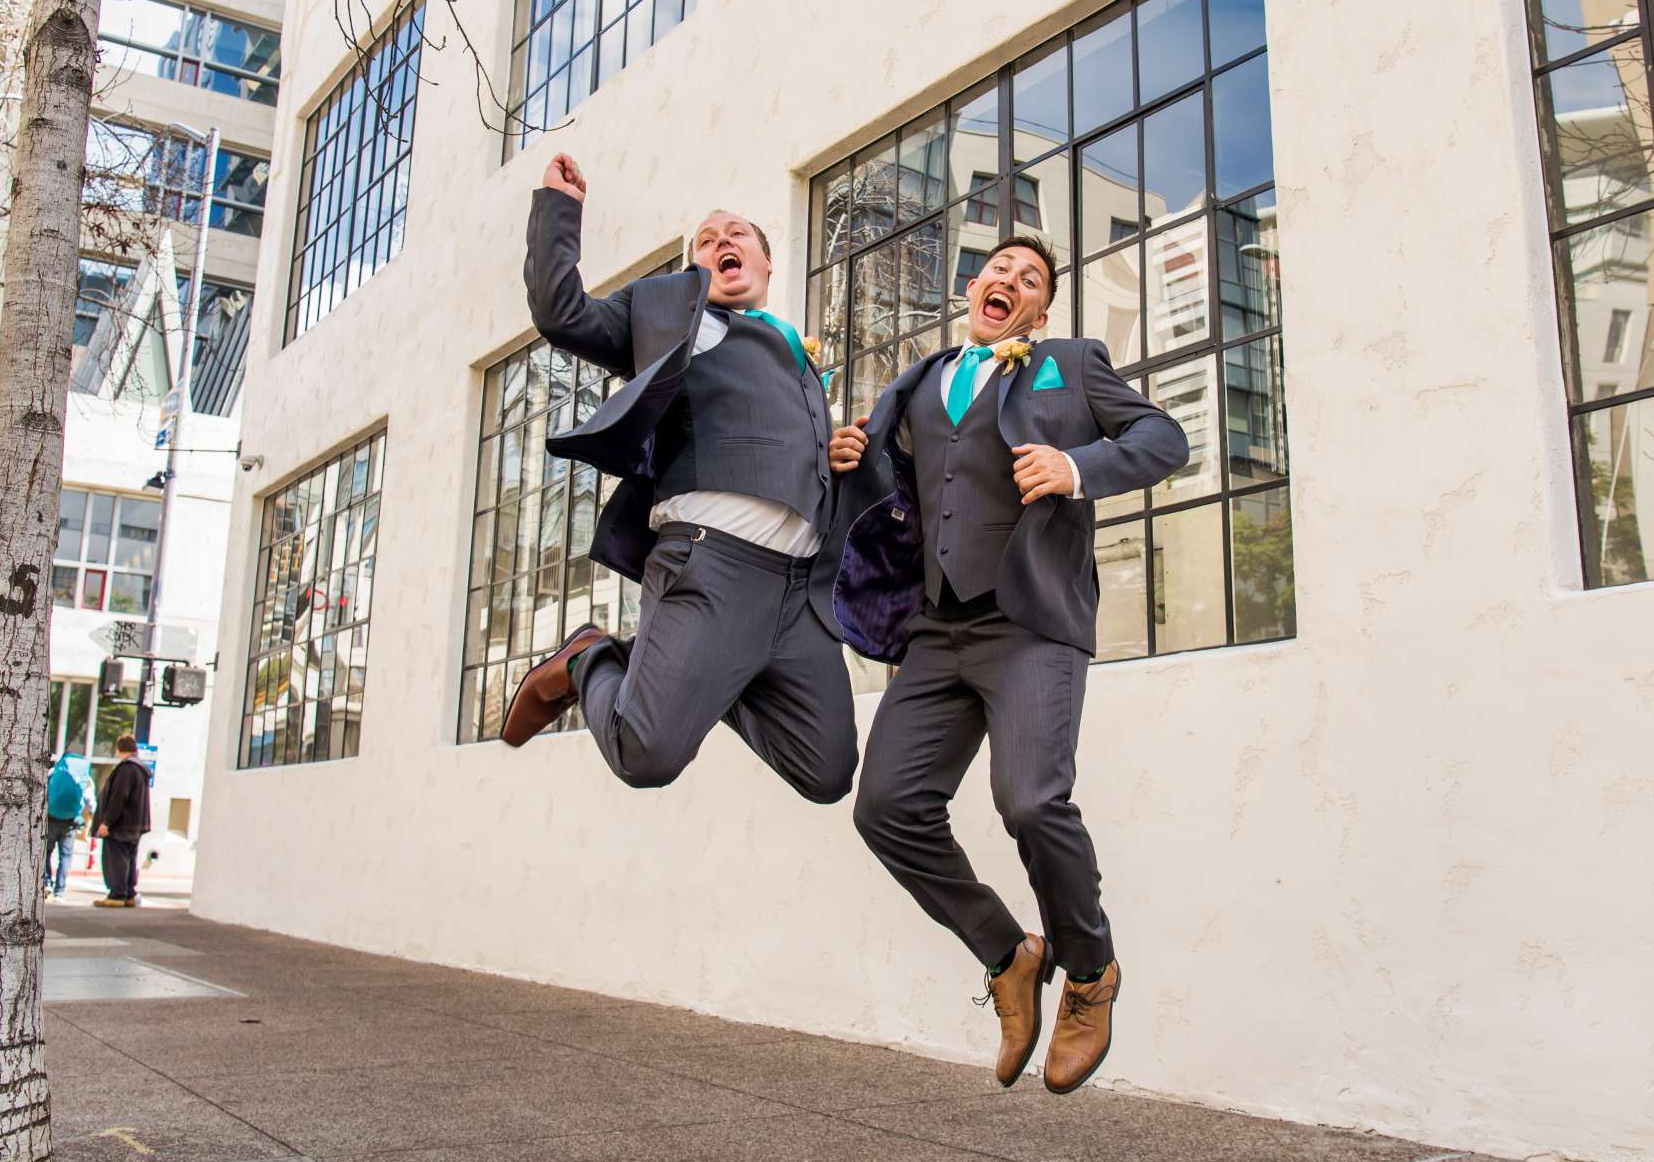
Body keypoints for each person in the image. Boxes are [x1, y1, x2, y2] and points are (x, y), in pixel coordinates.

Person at [830, 235, 1188, 1094]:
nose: (1010, 282)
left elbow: (1163, 438)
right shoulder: (917, 382)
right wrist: (847, 460)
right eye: (1000, 270)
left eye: (1031, 280)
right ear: (973, 286)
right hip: (935, 629)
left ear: (1043, 309)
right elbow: (886, 489)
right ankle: (1007, 955)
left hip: (1030, 621)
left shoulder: (1070, 365)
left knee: (1029, 801)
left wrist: (1074, 465)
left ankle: (1090, 972)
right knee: (885, 809)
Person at [502, 152, 856, 806]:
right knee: (646, 753)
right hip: (709, 560)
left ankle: (706, 672)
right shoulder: (670, 315)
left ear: (766, 263)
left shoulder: (797, 357)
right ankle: (590, 659)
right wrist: (560, 209)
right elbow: (562, 314)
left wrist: (835, 458)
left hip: (797, 591)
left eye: (736, 235)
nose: (721, 242)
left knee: (828, 770)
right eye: (706, 240)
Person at [91, 737, 151, 908]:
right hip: (135, 824)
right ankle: (129, 892)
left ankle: (117, 894)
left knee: (116, 858)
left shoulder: (126, 769)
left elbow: (119, 797)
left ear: (119, 749)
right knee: (130, 858)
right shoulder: (141, 770)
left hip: (120, 824)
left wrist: (107, 822)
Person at [44, 754, 91, 900]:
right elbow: (90, 801)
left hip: (51, 820)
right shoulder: (85, 777)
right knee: (65, 857)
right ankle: (60, 891)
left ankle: (46, 883)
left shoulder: (53, 772)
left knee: (46, 853)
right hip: (71, 823)